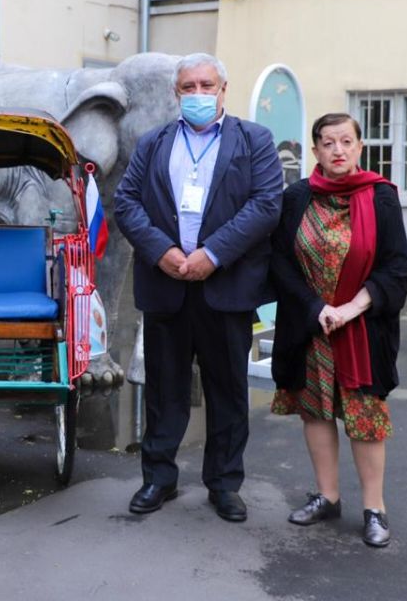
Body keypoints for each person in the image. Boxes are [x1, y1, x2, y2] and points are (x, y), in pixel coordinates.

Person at [114, 52, 282, 522]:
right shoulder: (153, 143)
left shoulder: (255, 140)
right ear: (176, 93)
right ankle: (158, 479)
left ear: (224, 90)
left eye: (207, 86)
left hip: (225, 287)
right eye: (189, 87)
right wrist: (161, 250)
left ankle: (225, 484)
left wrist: (212, 254)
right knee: (164, 389)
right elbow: (126, 202)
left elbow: (266, 204)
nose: (198, 95)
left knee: (227, 390)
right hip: (166, 285)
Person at [269, 112, 407, 548]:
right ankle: (328, 496)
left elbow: (397, 267)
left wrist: (350, 308)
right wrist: (317, 308)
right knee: (315, 410)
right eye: (328, 143)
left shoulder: (381, 197)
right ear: (315, 151)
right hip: (311, 327)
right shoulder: (296, 197)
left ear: (360, 147)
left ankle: (375, 508)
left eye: (346, 141)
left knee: (365, 418)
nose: (338, 150)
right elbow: (280, 262)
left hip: (362, 329)